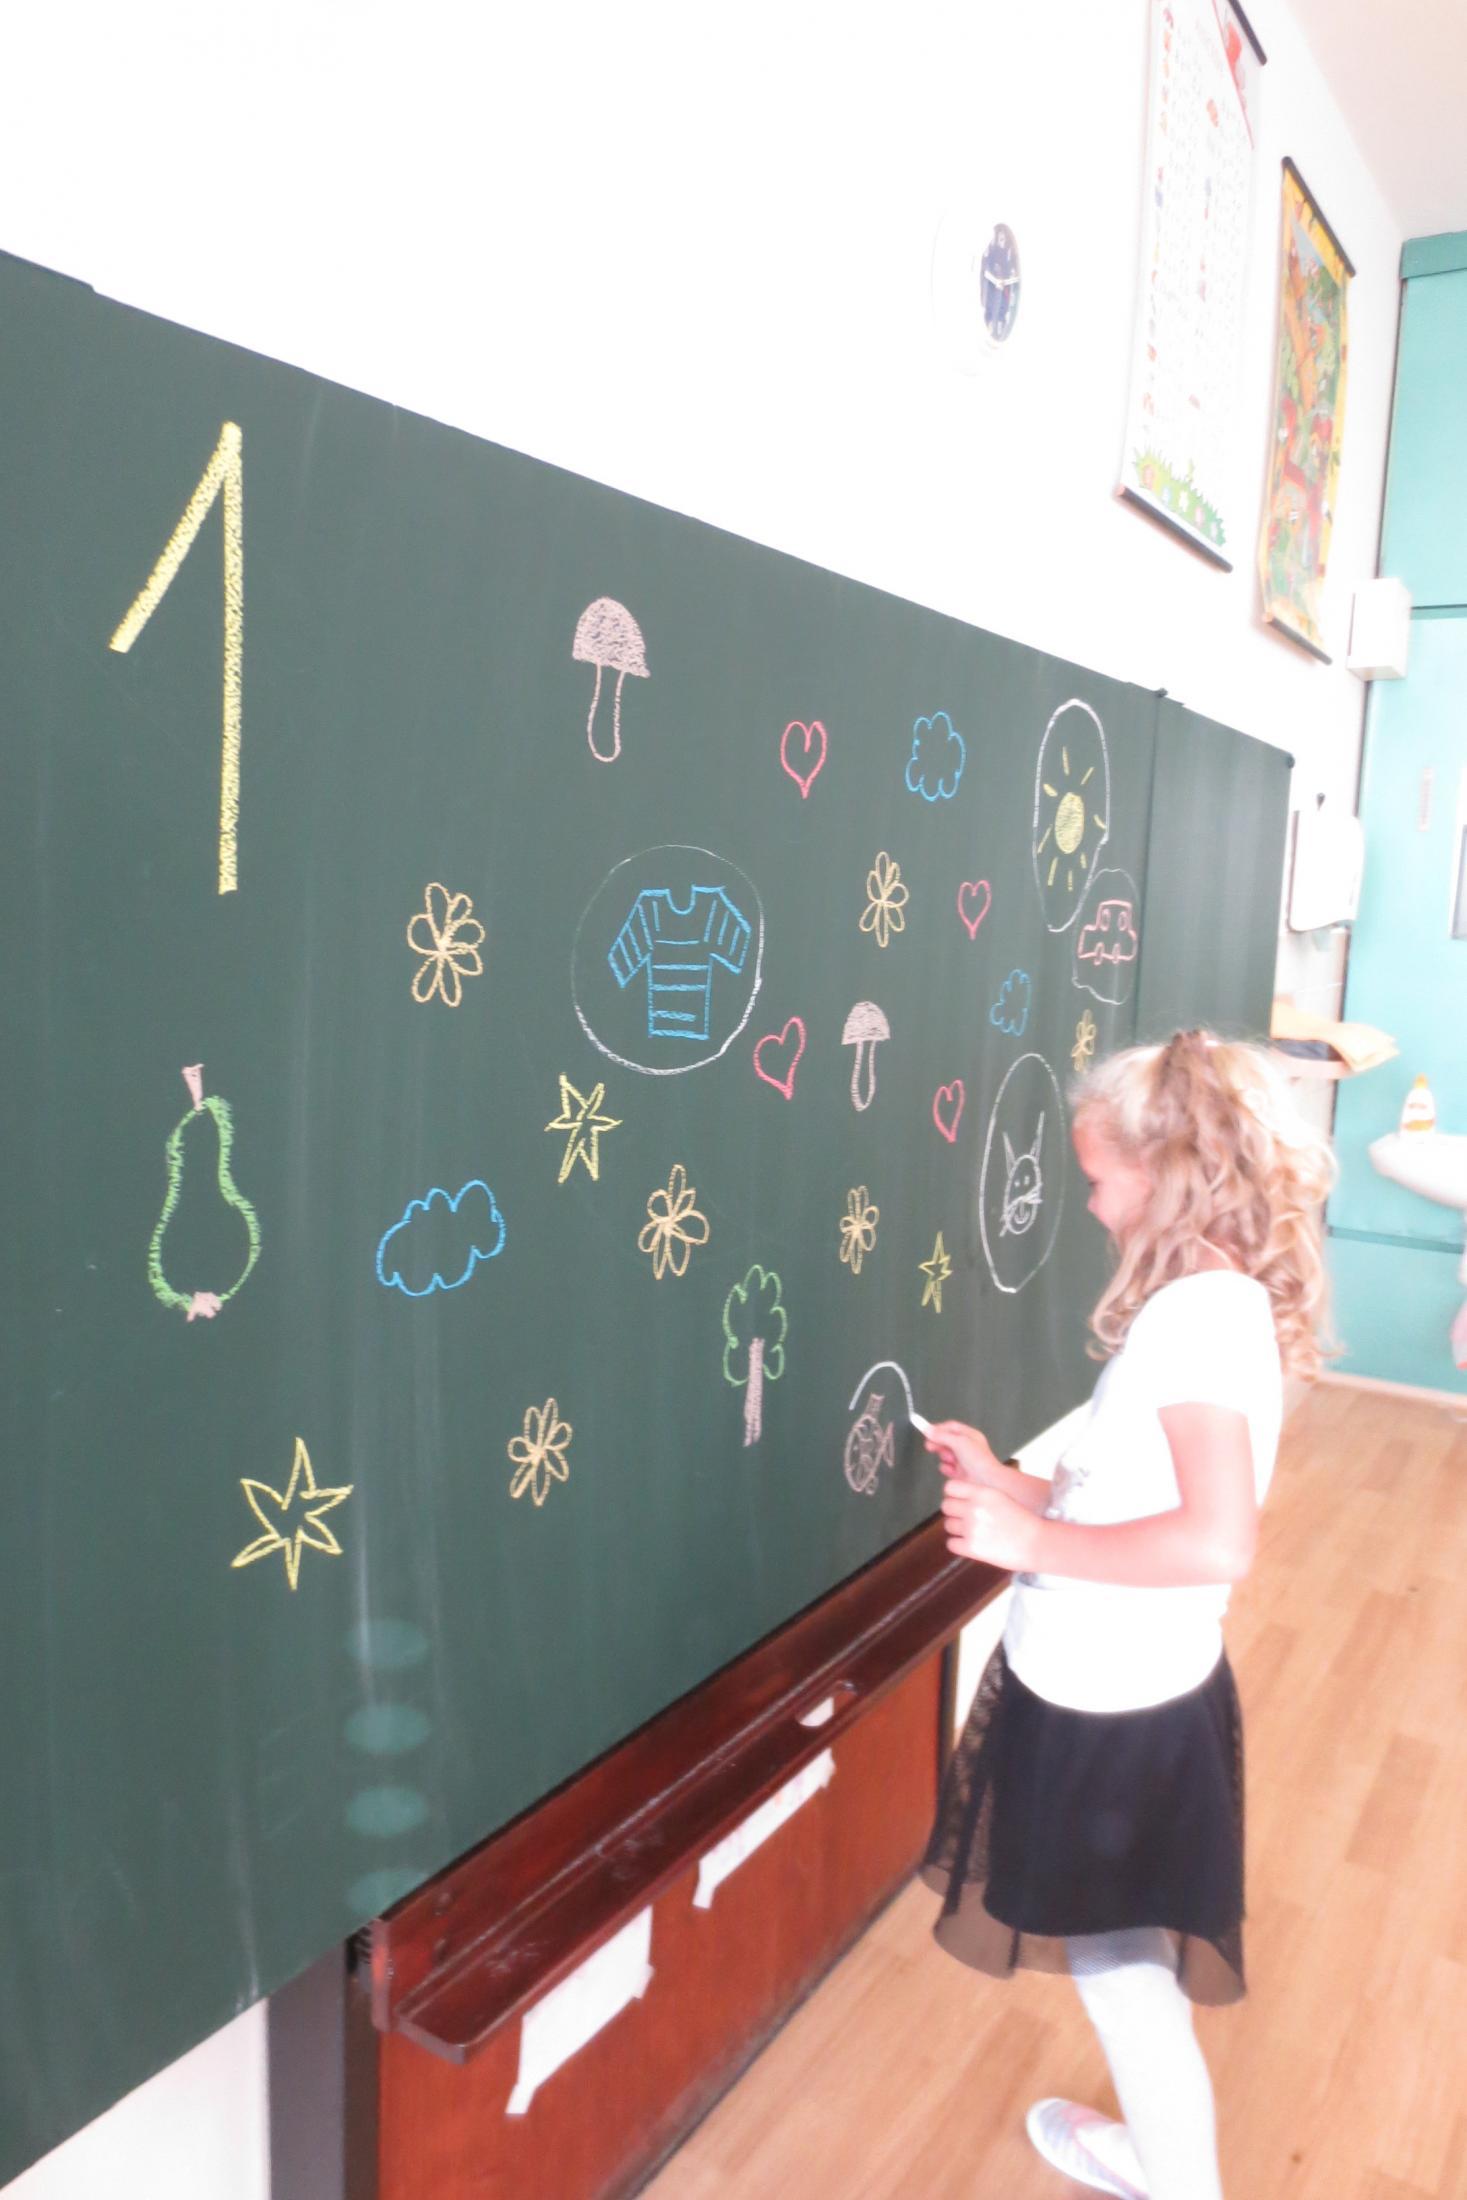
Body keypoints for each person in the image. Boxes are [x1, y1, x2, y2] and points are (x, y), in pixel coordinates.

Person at [920, 1030, 1335, 2200]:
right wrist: (1016, 1484)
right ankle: (1163, 2161)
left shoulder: (1195, 1323)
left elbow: (1217, 1540)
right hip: (1124, 1687)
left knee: (1124, 1982)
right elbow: (1130, 1491)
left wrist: (1032, 1545)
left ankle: (1176, 2177)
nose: (1094, 1205)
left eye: (1100, 1179)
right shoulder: (1210, 1305)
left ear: (1164, 1178)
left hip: (1113, 1711)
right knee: (1127, 1967)